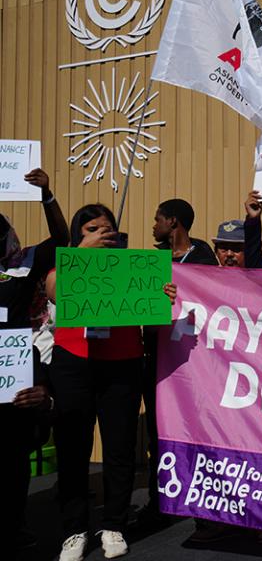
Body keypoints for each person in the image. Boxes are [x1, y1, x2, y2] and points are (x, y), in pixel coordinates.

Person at [46, 204, 173, 561]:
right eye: (91, 229)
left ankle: (114, 523)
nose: (101, 234)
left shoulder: (133, 266)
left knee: (119, 448)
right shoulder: (66, 261)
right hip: (73, 363)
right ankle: (74, 530)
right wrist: (80, 253)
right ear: (78, 235)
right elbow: (54, 291)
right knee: (73, 447)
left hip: (123, 362)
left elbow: (156, 301)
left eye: (107, 229)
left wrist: (165, 296)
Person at [139, 199, 218, 532]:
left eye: (157, 219)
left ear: (173, 222)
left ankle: (202, 501)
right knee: (159, 431)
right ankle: (162, 502)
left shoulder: (203, 259)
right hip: (156, 358)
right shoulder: (151, 261)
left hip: (193, 361)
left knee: (196, 429)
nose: (153, 225)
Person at [0, 169, 67, 552]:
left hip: (12, 371)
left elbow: (61, 239)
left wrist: (46, 194)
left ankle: (14, 524)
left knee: (13, 455)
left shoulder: (23, 263)